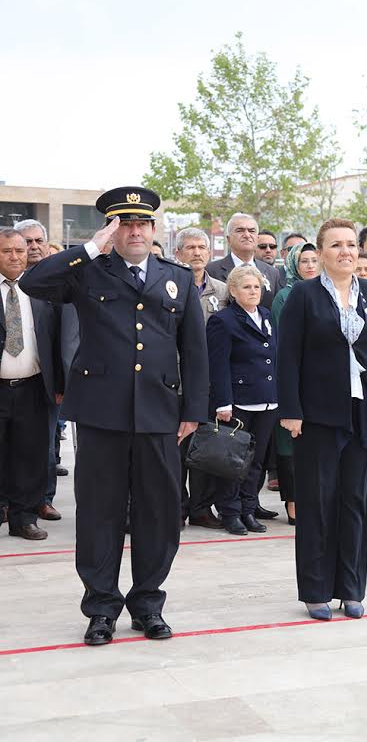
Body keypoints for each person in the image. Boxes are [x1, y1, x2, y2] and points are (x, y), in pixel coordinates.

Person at [21, 186, 208, 646]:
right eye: (125, 223)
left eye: (142, 223)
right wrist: (89, 247)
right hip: (101, 414)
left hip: (161, 415)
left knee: (159, 514)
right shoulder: (87, 271)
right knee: (100, 514)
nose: (135, 231)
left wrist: (195, 410)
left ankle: (148, 604)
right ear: (111, 228)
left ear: (154, 228)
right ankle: (101, 607)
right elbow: (32, 282)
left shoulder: (177, 278)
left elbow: (195, 351)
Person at [277, 218, 367, 620]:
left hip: (364, 413)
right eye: (336, 245)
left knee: (354, 502)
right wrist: (290, 410)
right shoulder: (303, 295)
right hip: (316, 415)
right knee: (317, 502)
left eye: (351, 244)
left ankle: (351, 588)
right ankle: (315, 589)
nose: (345, 251)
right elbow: (288, 356)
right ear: (321, 251)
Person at [205, 265, 279, 535]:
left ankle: (248, 509)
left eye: (257, 287)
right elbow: (218, 364)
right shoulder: (223, 320)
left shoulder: (267, 316)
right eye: (247, 287)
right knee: (234, 462)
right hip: (239, 401)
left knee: (256, 462)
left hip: (267, 400)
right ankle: (230, 512)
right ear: (233, 291)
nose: (253, 291)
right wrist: (223, 402)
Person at [0, 227, 63, 540]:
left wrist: (60, 384)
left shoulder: (41, 289)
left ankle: (23, 518)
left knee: (30, 457)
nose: (14, 257)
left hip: (33, 387)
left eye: (20, 251)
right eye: (6, 251)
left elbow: (56, 340)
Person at [173, 227, 230, 529]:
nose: (197, 252)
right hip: (174, 382)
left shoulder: (222, 291)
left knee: (206, 448)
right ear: (177, 253)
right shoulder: (167, 286)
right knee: (175, 449)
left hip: (209, 383)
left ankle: (201, 507)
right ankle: (176, 507)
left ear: (210, 253)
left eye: (202, 247)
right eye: (190, 247)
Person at [14, 218, 66, 520]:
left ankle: (42, 499)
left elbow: (64, 337)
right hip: (9, 378)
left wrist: (60, 381)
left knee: (44, 445)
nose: (32, 247)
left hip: (43, 380)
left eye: (37, 241)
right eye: (26, 242)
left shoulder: (57, 283)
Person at [272, 240, 321, 526]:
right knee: (290, 440)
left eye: (314, 260)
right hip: (293, 375)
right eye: (304, 261)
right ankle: (293, 501)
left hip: (320, 379)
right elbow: (283, 343)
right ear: (293, 265)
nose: (310, 266)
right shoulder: (285, 296)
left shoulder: (326, 292)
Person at [205, 213, 286, 310]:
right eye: (240, 230)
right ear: (228, 239)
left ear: (257, 238)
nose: (247, 235)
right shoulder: (211, 271)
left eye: (252, 231)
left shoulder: (272, 273)